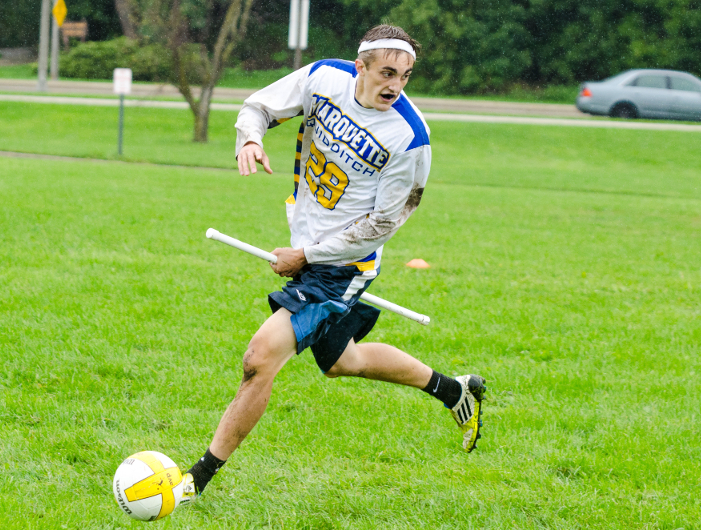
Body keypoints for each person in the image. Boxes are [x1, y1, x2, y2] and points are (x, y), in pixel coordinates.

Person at [178, 24, 486, 504]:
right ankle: (453, 390)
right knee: (345, 362)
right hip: (306, 241)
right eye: (386, 72)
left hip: (344, 265)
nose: (395, 85)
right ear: (359, 66)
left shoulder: (410, 137)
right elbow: (258, 106)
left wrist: (308, 256)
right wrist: (249, 139)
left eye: (405, 76)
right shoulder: (324, 78)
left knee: (259, 359)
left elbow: (385, 223)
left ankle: (196, 480)